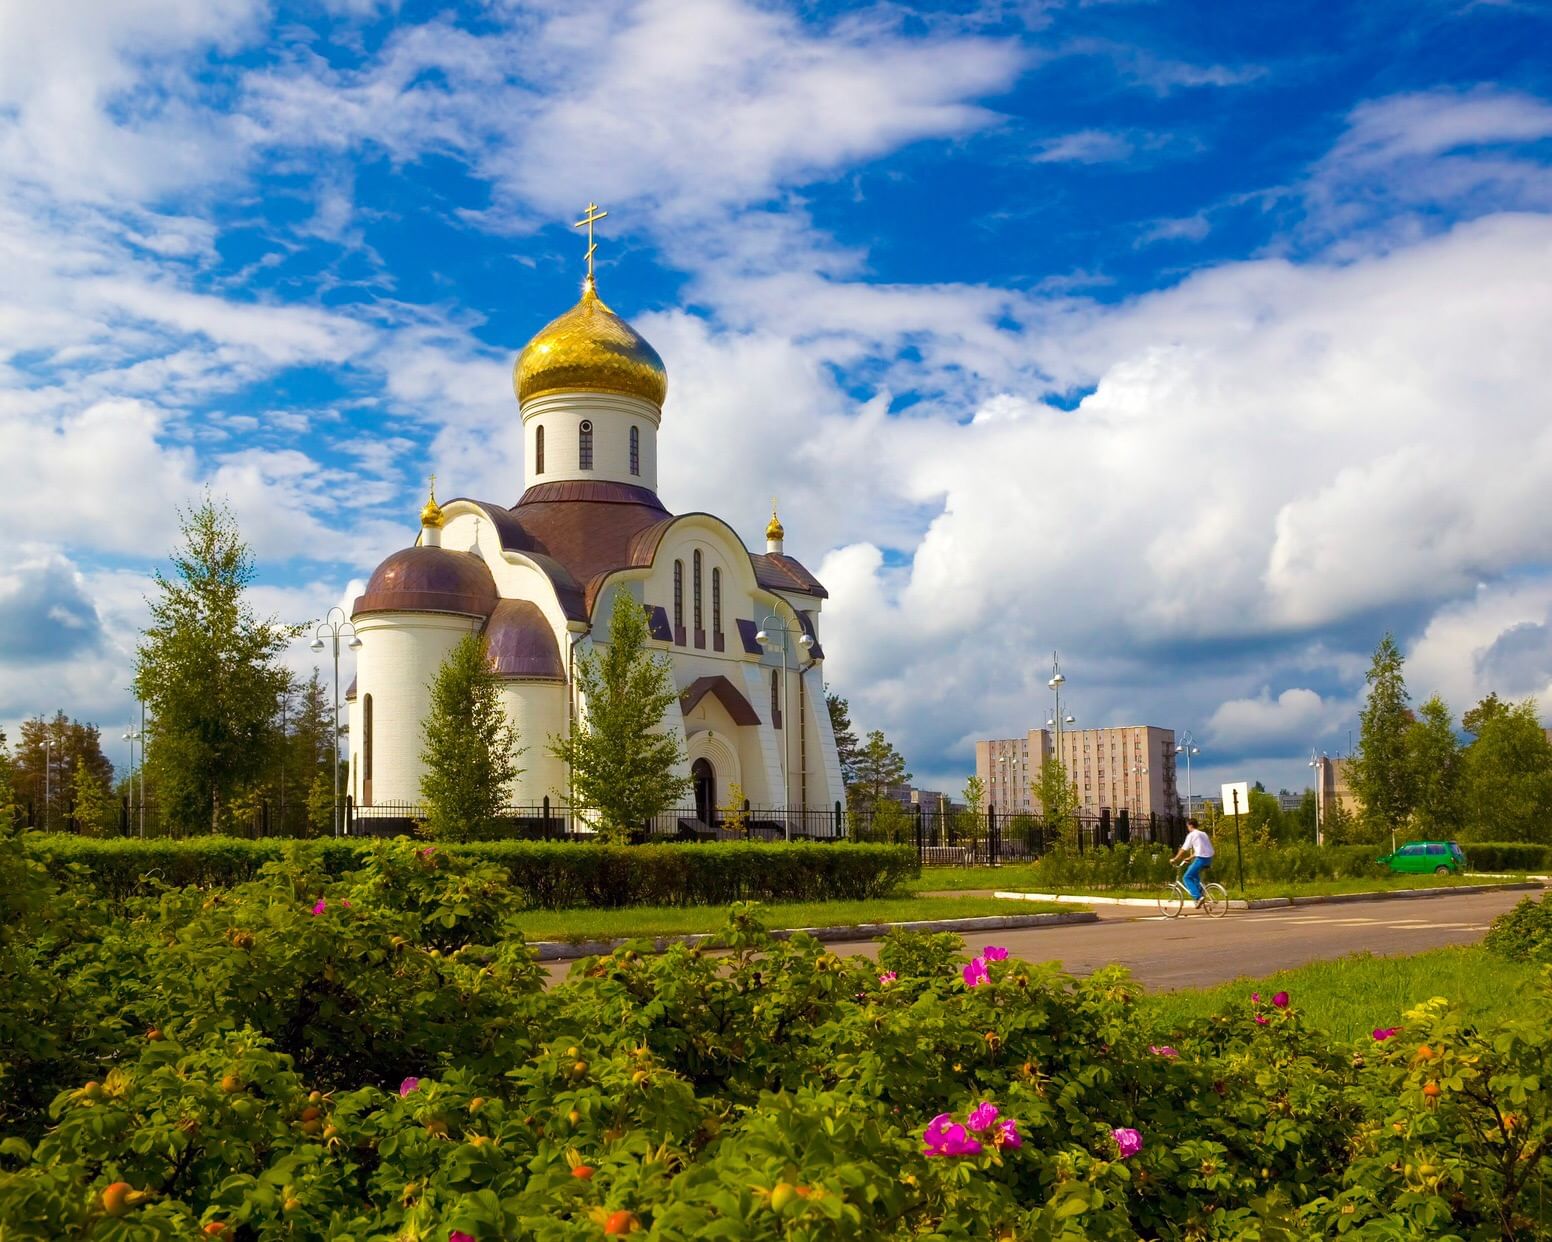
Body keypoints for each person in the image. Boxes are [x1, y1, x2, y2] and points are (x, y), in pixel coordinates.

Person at [1170, 817, 1215, 907]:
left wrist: (1175, 859)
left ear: (1190, 825)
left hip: (1201, 859)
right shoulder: (1203, 834)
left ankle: (1198, 897)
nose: (1187, 828)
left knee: (1186, 877)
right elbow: (1202, 849)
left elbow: (1183, 849)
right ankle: (1200, 892)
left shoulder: (1192, 835)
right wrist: (1190, 857)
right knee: (1193, 873)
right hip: (1209, 858)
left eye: (1187, 826)